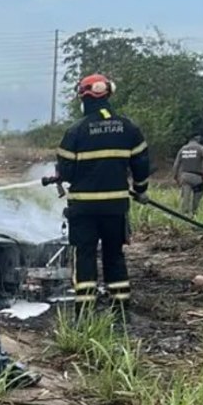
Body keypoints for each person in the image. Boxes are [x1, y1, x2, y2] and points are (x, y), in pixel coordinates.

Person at [55, 73, 150, 318]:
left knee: (85, 256)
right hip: (115, 207)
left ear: (83, 97)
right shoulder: (128, 128)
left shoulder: (75, 131)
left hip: (84, 209)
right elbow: (141, 164)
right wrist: (140, 191)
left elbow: (64, 172)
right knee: (114, 255)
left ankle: (85, 313)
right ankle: (120, 310)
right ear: (109, 95)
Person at [172, 135, 203, 217]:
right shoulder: (201, 148)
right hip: (198, 177)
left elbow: (176, 164)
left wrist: (175, 176)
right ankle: (194, 216)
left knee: (185, 199)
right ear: (197, 140)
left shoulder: (183, 149)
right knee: (196, 200)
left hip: (185, 176)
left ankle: (183, 216)